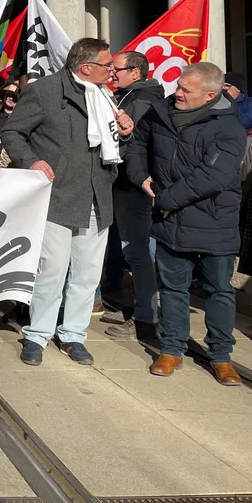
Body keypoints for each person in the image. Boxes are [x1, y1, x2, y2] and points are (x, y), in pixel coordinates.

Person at [3, 39, 134, 367]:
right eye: (107, 65)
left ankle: (74, 334)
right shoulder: (44, 91)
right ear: (86, 67)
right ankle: (37, 334)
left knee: (87, 274)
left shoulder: (105, 95)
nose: (112, 72)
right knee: (52, 270)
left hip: (97, 196)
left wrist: (125, 133)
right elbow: (13, 132)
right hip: (57, 196)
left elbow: (110, 144)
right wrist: (31, 161)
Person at [127, 62, 246, 385]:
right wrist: (141, 177)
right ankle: (171, 349)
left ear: (210, 95)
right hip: (171, 224)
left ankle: (221, 355)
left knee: (219, 291)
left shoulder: (229, 127)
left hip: (214, 223)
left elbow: (213, 176)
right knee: (172, 289)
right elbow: (137, 144)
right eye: (178, 85)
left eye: (185, 89)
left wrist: (165, 201)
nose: (176, 93)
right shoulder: (160, 112)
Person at [99, 51, 164, 344]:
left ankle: (145, 319)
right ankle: (141, 311)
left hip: (132, 187)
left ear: (135, 72)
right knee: (135, 252)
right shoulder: (130, 97)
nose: (112, 73)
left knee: (139, 253)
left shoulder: (141, 102)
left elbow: (132, 146)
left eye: (117, 69)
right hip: (126, 185)